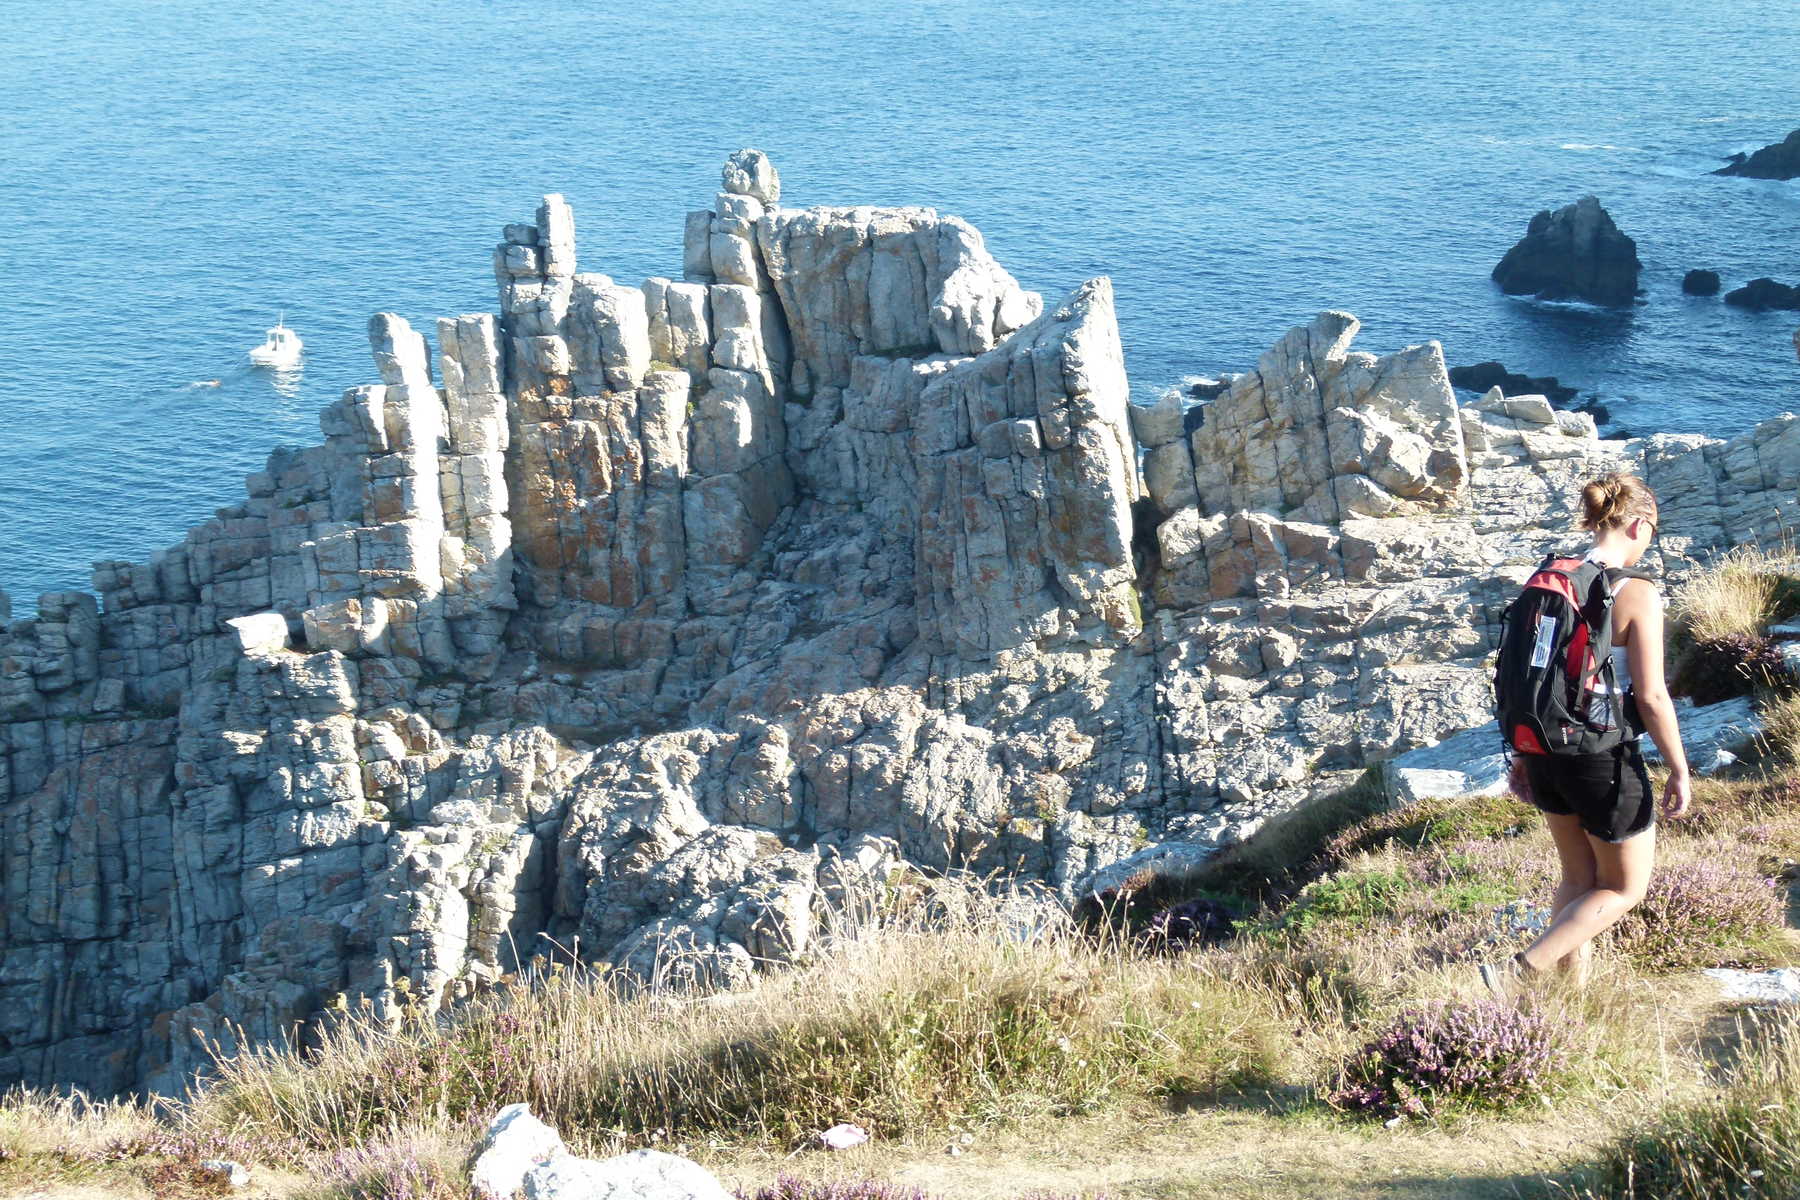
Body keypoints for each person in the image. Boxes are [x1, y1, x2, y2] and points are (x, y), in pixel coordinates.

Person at [1483, 472, 1691, 995]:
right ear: (1638, 525)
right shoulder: (1634, 591)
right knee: (1623, 888)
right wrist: (1679, 768)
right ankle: (1518, 971)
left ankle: (1570, 997)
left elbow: (1533, 674)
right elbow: (1652, 696)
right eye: (1653, 532)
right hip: (1601, 754)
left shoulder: (1553, 578)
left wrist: (1525, 751)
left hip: (1543, 749)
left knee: (1578, 880)